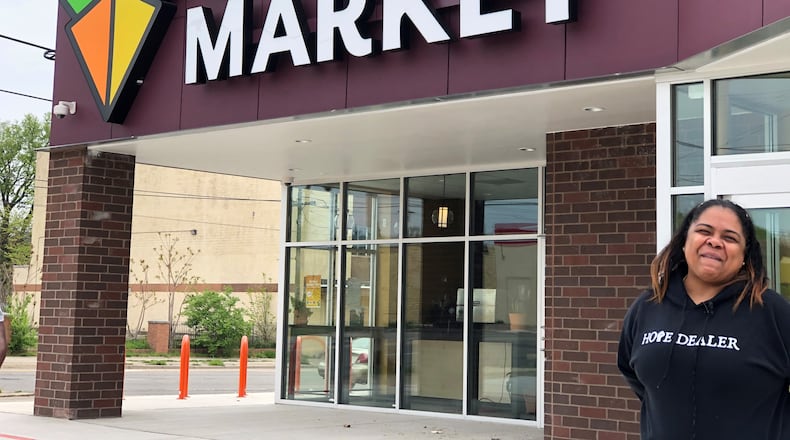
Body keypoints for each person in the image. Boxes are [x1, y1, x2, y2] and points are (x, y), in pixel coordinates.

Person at [618, 199, 790, 439]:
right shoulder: (647, 307)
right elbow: (633, 372)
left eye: (730, 238)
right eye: (704, 231)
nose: (715, 241)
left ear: (744, 255)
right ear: (685, 242)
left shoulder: (772, 312)